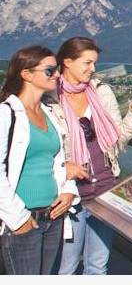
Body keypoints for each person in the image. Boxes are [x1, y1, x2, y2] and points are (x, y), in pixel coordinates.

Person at [49, 37, 132, 275]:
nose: (93, 69)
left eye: (95, 63)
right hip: (71, 196)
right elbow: (43, 150)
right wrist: (64, 167)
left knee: (98, 267)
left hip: (105, 191)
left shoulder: (101, 92)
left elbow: (117, 141)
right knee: (66, 268)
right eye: (87, 63)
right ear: (67, 62)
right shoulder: (51, 98)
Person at [0, 45, 79, 274]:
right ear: (26, 74)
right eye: (49, 70)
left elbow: (59, 160)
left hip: (53, 218)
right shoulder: (6, 114)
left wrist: (68, 190)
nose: (57, 74)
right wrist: (19, 219)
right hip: (22, 220)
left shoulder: (50, 113)